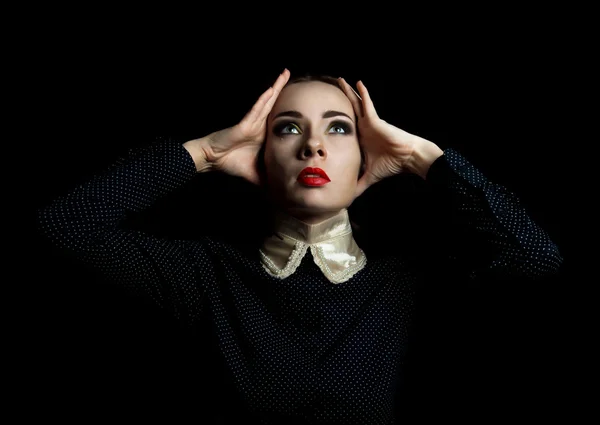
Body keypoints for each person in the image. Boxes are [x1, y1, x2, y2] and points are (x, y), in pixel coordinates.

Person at [36, 68, 563, 424]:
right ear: (262, 156)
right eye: (289, 129)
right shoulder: (206, 277)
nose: (313, 144)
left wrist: (421, 157)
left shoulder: (413, 286)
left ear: (366, 157)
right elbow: (63, 227)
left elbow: (537, 259)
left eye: (338, 130)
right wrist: (203, 153)